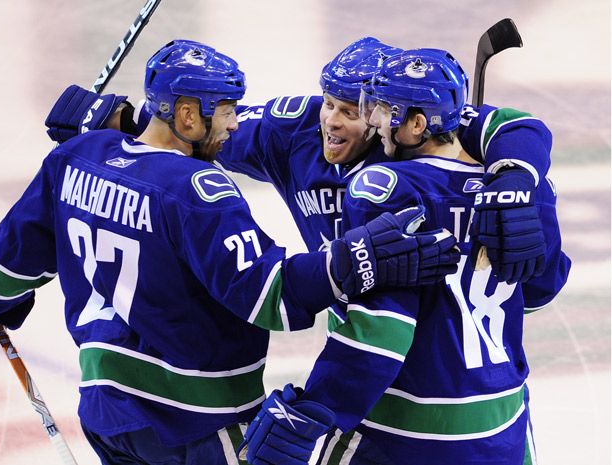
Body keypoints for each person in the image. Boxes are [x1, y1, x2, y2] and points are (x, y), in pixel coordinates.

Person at [0, 40, 460, 465]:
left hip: (106, 414)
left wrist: (3, 304)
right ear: (189, 116)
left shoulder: (78, 155)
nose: (236, 124)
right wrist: (355, 259)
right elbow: (270, 294)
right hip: (196, 422)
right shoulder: (200, 190)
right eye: (227, 111)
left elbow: (5, 269)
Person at [239, 48, 571, 465]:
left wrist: (316, 409)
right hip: (501, 423)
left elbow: (380, 333)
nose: (375, 120)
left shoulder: (385, 185)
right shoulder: (528, 186)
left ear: (417, 124)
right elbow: (541, 288)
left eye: (383, 110)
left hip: (403, 429)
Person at [45, 37, 555, 298]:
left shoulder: (406, 135)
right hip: (347, 304)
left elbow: (518, 126)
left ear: (384, 113)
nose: (331, 122)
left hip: (427, 321)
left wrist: (516, 181)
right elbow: (202, 130)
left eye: (350, 113)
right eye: (328, 103)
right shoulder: (293, 128)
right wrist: (127, 120)